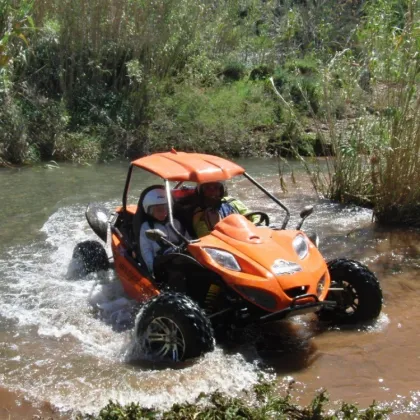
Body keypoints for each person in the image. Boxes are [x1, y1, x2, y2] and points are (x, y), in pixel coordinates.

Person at [139, 187, 187, 274]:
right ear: (149, 210)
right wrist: (152, 270)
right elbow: (146, 251)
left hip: (181, 258)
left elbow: (188, 240)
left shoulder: (175, 222)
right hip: (162, 264)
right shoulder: (147, 227)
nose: (164, 212)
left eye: (166, 208)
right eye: (159, 210)